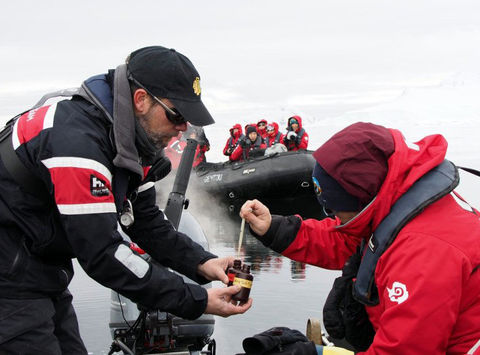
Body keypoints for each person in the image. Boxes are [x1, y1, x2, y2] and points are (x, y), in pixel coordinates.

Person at [0, 46, 252, 354]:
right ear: (141, 100)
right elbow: (103, 253)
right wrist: (198, 300)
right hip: (10, 278)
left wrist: (204, 263)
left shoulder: (128, 144)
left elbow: (146, 222)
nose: (183, 127)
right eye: (177, 115)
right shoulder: (78, 146)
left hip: (38, 268)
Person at [240, 122, 480, 354]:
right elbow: (345, 237)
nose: (331, 216)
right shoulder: (399, 197)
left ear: (361, 201)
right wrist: (273, 228)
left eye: (334, 209)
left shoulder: (424, 253)